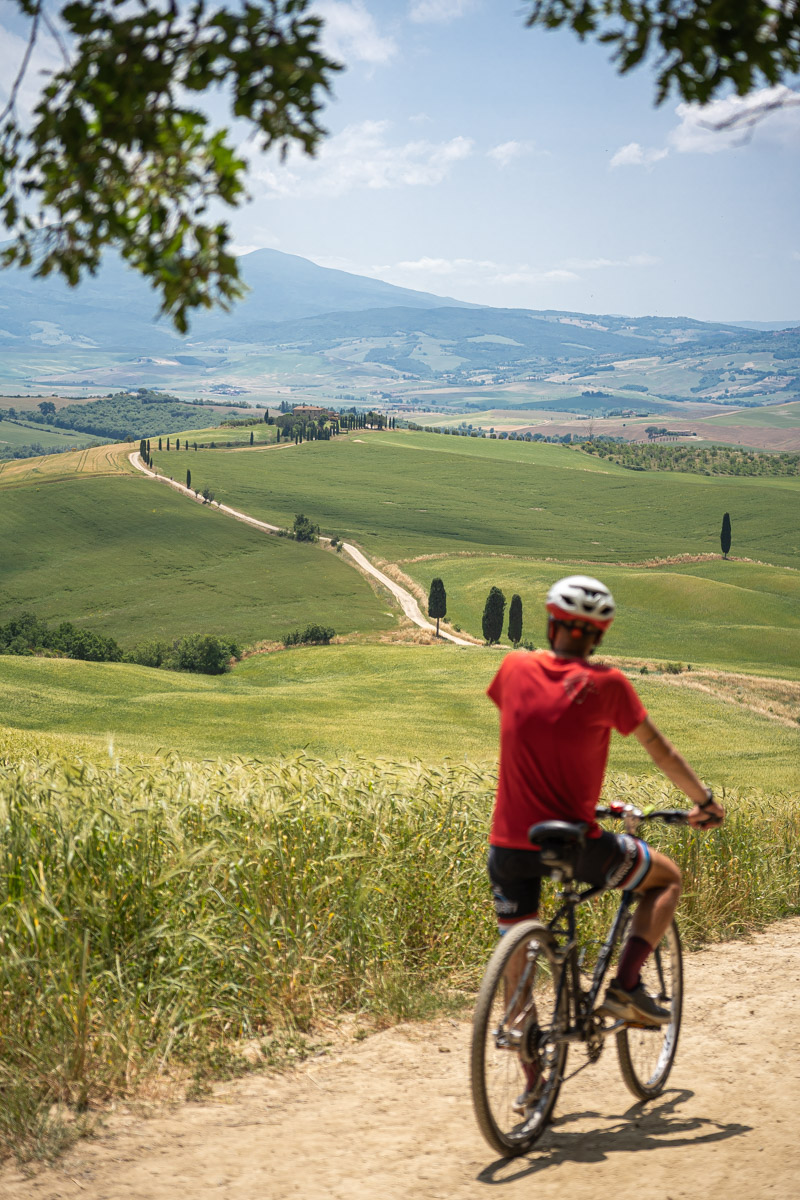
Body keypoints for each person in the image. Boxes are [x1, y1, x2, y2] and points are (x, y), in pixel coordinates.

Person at [486, 575, 724, 1106]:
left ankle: (532, 1081)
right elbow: (660, 751)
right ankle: (626, 986)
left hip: (508, 847)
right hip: (578, 846)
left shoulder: (512, 668)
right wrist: (703, 802)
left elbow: (537, 730)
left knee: (518, 949)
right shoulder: (609, 685)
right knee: (666, 878)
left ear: (550, 622)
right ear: (600, 634)